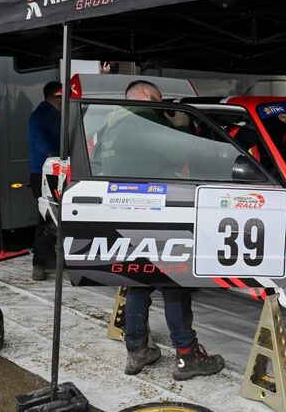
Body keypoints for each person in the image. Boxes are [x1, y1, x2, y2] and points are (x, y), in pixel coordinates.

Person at [103, 80, 224, 379]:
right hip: (155, 211)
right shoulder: (144, 117)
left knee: (138, 282)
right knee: (174, 283)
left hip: (125, 212)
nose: (162, 103)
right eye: (158, 97)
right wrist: (182, 124)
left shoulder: (112, 125)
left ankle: (137, 352)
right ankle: (187, 356)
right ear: (146, 96)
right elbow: (185, 153)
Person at [28, 81, 61, 281]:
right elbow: (41, 143)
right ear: (56, 96)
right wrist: (57, 154)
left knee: (54, 216)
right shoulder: (40, 115)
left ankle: (49, 258)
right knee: (46, 216)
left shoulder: (55, 114)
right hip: (43, 173)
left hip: (55, 170)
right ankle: (38, 263)